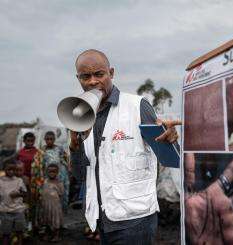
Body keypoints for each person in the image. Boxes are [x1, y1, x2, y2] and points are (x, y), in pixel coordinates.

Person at [69, 49, 178, 244]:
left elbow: (170, 158)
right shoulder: (81, 115)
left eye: (99, 74)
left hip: (135, 221)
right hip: (102, 219)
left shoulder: (137, 107)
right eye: (86, 76)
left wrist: (171, 140)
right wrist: (74, 144)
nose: (93, 81)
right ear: (79, 79)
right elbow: (79, 175)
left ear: (111, 73)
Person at [37, 131, 70, 211]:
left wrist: (68, 170)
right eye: (47, 139)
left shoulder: (59, 148)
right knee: (50, 193)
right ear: (44, 139)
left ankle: (62, 210)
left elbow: (65, 159)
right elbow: (39, 164)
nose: (49, 141)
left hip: (61, 175)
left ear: (54, 139)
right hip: (48, 175)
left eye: (51, 139)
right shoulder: (41, 150)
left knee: (62, 192)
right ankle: (50, 210)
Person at [0, 163, 27, 245]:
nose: (11, 172)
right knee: (6, 234)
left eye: (13, 170)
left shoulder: (19, 180)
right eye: (9, 169)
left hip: (18, 210)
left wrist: (18, 194)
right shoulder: (1, 181)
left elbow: (25, 193)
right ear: (4, 169)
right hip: (5, 211)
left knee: (19, 232)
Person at [40, 164, 64, 242]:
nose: (52, 173)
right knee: (47, 220)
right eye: (50, 171)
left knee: (55, 221)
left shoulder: (59, 182)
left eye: (54, 172)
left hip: (55, 206)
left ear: (57, 172)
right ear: (47, 172)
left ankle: (56, 235)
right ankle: (48, 234)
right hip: (46, 205)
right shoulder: (45, 181)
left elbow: (61, 193)